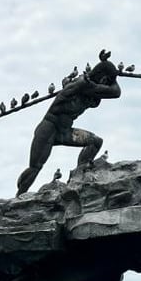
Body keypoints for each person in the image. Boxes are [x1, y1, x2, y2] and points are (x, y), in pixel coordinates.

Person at [17, 50, 121, 195]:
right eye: (105, 79)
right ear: (101, 76)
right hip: (49, 128)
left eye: (107, 81)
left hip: (64, 131)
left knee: (96, 142)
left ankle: (80, 175)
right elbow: (115, 92)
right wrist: (110, 72)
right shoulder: (83, 84)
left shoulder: (91, 88)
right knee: (36, 167)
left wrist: (109, 70)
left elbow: (114, 92)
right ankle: (19, 196)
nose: (106, 83)